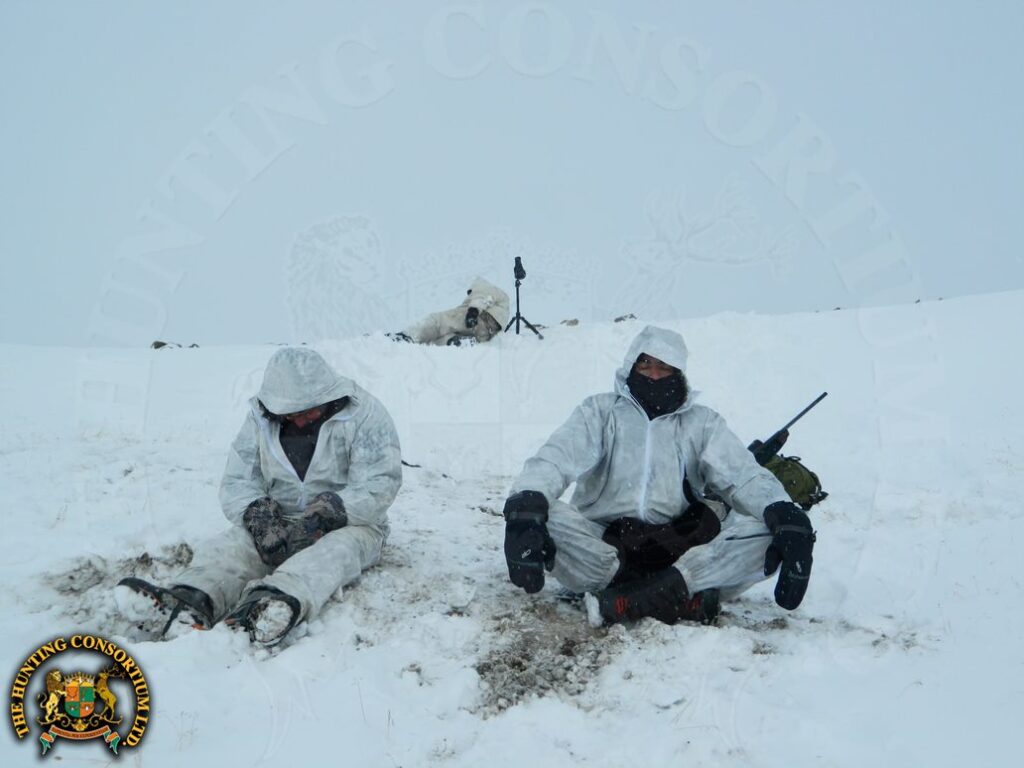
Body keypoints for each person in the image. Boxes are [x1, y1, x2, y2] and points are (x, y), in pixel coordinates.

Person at [501, 325, 817, 626]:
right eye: (646, 364)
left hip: (682, 554)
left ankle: (654, 593)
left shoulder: (703, 423)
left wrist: (783, 512)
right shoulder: (600, 411)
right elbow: (554, 459)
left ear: (678, 372)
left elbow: (744, 476)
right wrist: (525, 509)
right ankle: (678, 599)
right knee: (541, 510)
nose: (654, 374)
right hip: (603, 552)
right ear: (631, 366)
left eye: (664, 367)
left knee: (769, 526)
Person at [115, 347, 402, 647]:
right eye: (292, 415)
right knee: (231, 547)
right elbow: (239, 479)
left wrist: (331, 511)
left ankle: (273, 603)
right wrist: (258, 514)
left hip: (354, 523)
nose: (301, 422)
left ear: (328, 397)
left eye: (309, 411)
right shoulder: (260, 419)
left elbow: (380, 483)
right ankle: (187, 600)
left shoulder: (365, 415)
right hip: (280, 518)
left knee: (333, 553)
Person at [392, 277, 510, 346]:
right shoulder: (499, 304)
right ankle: (453, 342)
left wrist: (473, 311)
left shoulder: (484, 288)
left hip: (482, 318)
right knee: (447, 334)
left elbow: (482, 296)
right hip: (486, 332)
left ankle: (407, 336)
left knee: (438, 321)